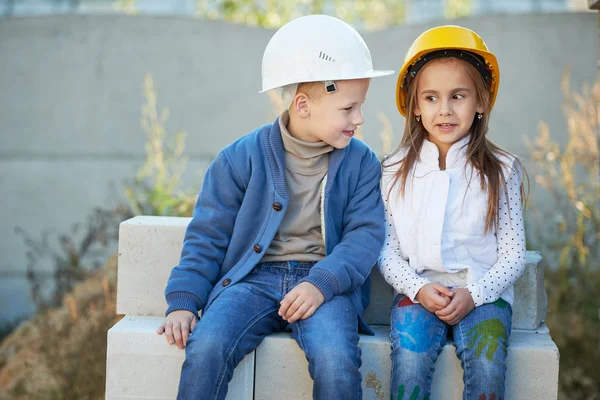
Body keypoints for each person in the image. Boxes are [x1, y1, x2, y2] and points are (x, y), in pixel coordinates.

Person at [157, 14, 394, 399]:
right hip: (252, 281)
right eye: (348, 109)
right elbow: (207, 237)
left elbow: (365, 236)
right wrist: (184, 301)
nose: (360, 119)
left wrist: (322, 283)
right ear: (303, 105)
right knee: (207, 345)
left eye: (361, 106)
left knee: (336, 359)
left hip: (324, 285)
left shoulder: (362, 163)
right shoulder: (238, 159)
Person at [379, 25, 527, 400]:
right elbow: (386, 249)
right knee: (409, 364)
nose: (444, 109)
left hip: (484, 294)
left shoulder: (502, 170)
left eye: (458, 96)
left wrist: (474, 294)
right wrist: (418, 288)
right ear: (414, 105)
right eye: (430, 97)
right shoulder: (393, 171)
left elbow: (513, 255)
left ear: (480, 102)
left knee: (488, 365)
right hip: (419, 291)